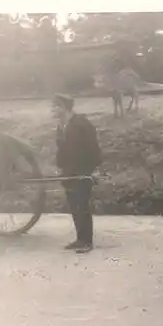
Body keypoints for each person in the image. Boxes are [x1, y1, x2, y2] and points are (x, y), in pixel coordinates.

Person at [52, 93, 102, 253]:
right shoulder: (61, 126)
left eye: (55, 106)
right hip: (68, 172)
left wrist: (94, 169)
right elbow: (61, 150)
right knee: (74, 206)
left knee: (82, 205)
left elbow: (93, 148)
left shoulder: (82, 125)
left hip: (82, 171)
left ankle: (87, 242)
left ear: (63, 107)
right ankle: (80, 239)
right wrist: (60, 167)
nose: (52, 110)